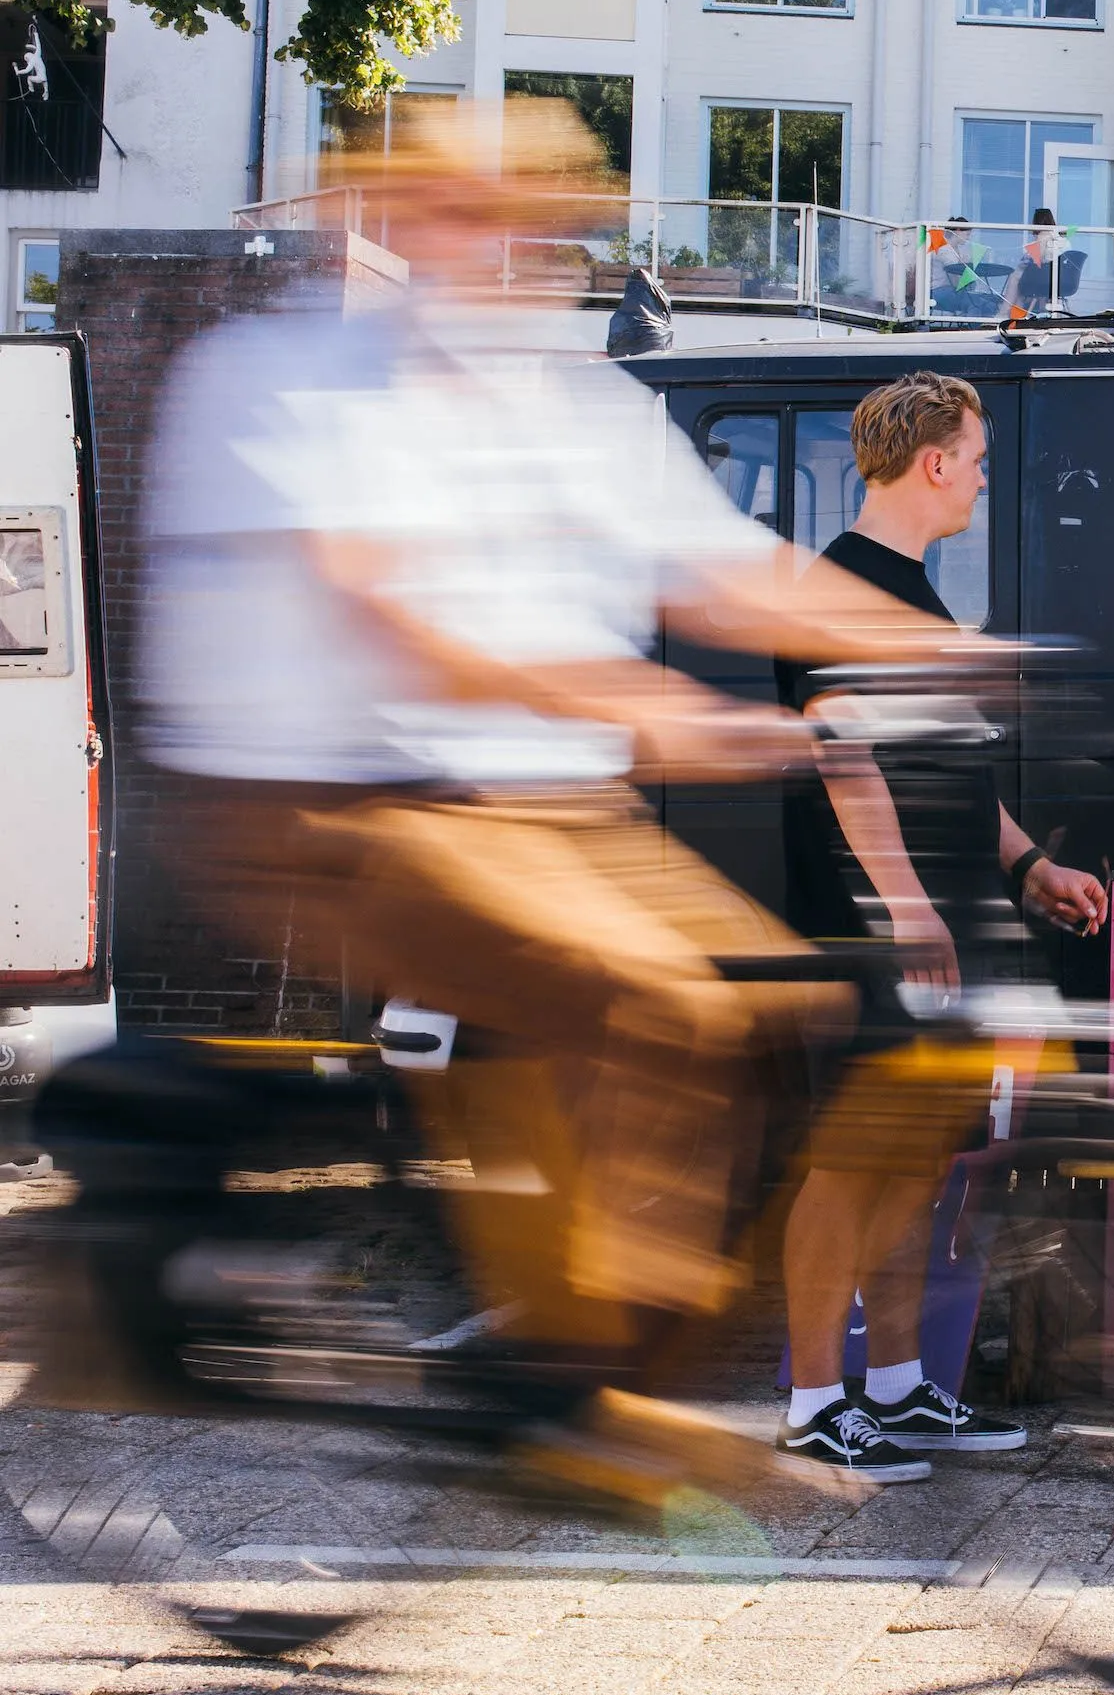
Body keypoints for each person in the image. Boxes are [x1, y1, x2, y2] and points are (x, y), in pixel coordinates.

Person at [138, 99, 979, 1492]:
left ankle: (579, 1337)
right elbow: (389, 608)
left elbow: (726, 567)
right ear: (399, 220)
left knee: (777, 998)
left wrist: (957, 650)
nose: (511, 243)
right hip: (329, 800)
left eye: (537, 217)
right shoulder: (287, 373)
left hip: (533, 809)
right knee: (654, 1007)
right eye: (470, 211)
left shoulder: (565, 394)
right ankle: (568, 1386)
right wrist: (644, 707)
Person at [770, 370, 1109, 1481]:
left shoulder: (914, 596)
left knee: (917, 1160)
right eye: (973, 457)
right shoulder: (838, 592)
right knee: (847, 1160)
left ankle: (901, 1388)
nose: (977, 478)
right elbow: (845, 754)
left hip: (946, 925)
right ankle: (817, 1400)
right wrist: (904, 905)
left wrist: (1029, 865)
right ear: (932, 464)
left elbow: (953, 770)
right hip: (875, 932)